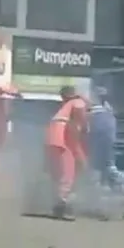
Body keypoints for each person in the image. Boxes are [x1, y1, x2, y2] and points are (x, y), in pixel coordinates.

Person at [45, 85, 89, 219]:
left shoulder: (63, 109)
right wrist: (85, 127)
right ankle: (62, 203)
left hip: (51, 136)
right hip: (62, 135)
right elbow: (80, 111)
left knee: (57, 171)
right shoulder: (77, 102)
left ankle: (57, 200)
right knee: (68, 170)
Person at [87, 87, 124, 194]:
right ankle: (110, 185)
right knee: (107, 162)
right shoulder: (107, 109)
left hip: (100, 138)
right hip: (106, 138)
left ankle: (103, 185)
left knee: (100, 162)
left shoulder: (96, 109)